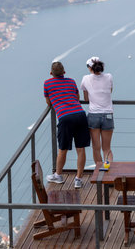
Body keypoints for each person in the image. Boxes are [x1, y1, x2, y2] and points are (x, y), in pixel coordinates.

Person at [44, 61, 90, 189]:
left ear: (51, 73)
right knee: (80, 149)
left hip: (65, 117)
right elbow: (76, 96)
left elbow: (48, 102)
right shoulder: (71, 81)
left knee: (62, 149)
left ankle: (58, 175)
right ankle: (78, 179)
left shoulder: (47, 83)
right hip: (80, 114)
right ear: (64, 72)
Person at [80, 57, 114, 165]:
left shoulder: (85, 78)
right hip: (108, 114)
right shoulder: (109, 77)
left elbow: (86, 99)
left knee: (96, 148)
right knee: (107, 149)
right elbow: (110, 91)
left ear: (90, 68)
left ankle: (99, 173)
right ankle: (109, 171)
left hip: (93, 115)